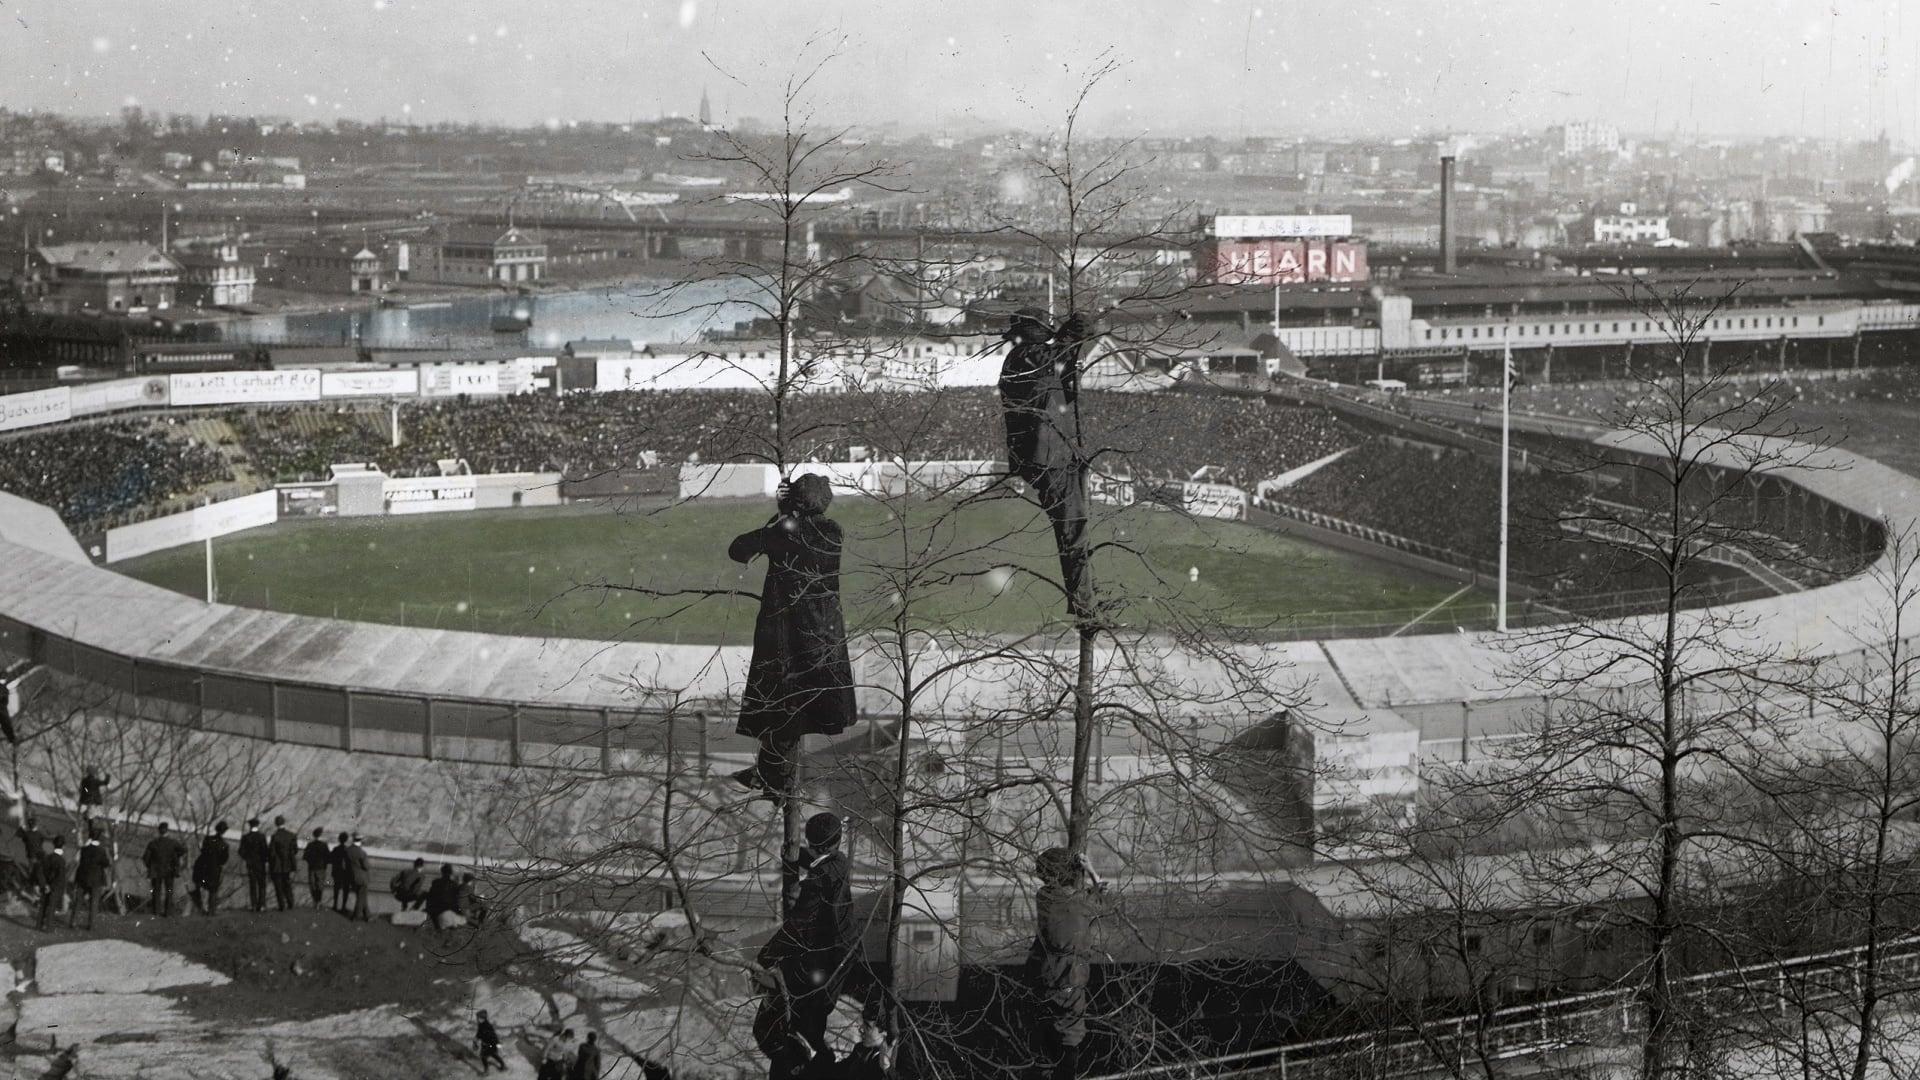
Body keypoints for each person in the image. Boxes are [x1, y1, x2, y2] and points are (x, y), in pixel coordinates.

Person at [726, 474, 856, 800]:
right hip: (822, 636)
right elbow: (801, 535)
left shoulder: (785, 533)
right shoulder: (834, 533)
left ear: (796, 503)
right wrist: (789, 512)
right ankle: (772, 775)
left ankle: (773, 778)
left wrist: (780, 515)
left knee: (780, 708)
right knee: (797, 709)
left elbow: (738, 550)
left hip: (786, 635)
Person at [999, 308, 1098, 617]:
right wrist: (1073, 333)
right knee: (1074, 531)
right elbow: (1053, 355)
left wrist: (1073, 344)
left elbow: (1061, 391)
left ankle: (1085, 597)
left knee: (1074, 529)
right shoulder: (1024, 357)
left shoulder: (1029, 360)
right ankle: (1085, 605)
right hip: (1047, 457)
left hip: (1055, 455)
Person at [757, 812, 854, 1068]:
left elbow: (797, 924)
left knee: (802, 1024)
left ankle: (808, 1065)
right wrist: (798, 856)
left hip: (824, 962)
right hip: (839, 957)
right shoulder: (840, 862)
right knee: (812, 1019)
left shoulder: (819, 881)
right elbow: (822, 863)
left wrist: (766, 954)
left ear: (817, 845)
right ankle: (811, 1059)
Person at [1026, 847, 1100, 1080]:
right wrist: (1090, 870)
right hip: (1073, 981)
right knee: (1070, 1039)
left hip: (1047, 977)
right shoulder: (1081, 901)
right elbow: (1101, 895)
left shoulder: (1044, 897)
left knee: (1046, 1043)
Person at [142, 822, 185, 917]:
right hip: (169, 870)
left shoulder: (153, 843)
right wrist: (175, 857)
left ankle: (156, 912)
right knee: (169, 891)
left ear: (159, 831)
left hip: (156, 871)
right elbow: (183, 850)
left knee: (156, 892)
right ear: (167, 830)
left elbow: (145, 858)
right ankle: (167, 913)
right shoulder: (173, 843)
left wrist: (150, 866)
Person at [72, 831, 111, 930]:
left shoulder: (84, 849)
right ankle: (91, 925)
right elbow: (106, 864)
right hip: (95, 880)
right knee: (94, 902)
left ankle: (73, 922)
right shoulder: (101, 851)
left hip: (82, 877)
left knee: (78, 901)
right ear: (99, 839)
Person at [192, 821, 230, 916]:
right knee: (213, 890)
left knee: (201, 887)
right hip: (215, 869)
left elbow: (203, 851)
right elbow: (224, 860)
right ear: (224, 831)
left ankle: (200, 909)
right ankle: (211, 911)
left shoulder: (208, 839)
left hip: (203, 866)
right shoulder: (225, 845)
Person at [33, 837, 66, 932]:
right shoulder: (61, 861)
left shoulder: (47, 857)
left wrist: (44, 885)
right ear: (63, 846)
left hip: (46, 885)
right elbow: (60, 877)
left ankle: (38, 925)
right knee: (52, 907)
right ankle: (48, 928)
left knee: (43, 905)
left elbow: (40, 872)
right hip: (55, 887)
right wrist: (52, 887)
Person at [268, 815, 299, 911]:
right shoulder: (292, 835)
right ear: (284, 822)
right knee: (287, 883)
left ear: (275, 824)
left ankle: (282, 905)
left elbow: (272, 853)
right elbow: (295, 850)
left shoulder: (275, 836)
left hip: (277, 865)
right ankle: (291, 903)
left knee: (278, 885)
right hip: (288, 864)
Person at [238, 817, 269, 913]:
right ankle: (262, 905)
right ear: (258, 825)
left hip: (250, 864)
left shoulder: (245, 837)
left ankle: (254, 905)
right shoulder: (262, 837)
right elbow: (265, 851)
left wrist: (247, 858)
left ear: (250, 825)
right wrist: (264, 860)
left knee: (253, 884)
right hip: (260, 864)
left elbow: (241, 851)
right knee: (262, 884)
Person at [423, 863, 464, 931]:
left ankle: (429, 920)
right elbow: (457, 897)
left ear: (442, 872)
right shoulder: (454, 884)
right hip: (450, 906)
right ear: (451, 873)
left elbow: (431, 894)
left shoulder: (436, 882)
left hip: (437, 905)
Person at [302, 828, 330, 908]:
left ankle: (315, 901)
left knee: (313, 885)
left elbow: (305, 857)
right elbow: (328, 857)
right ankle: (319, 901)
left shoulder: (310, 845)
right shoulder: (324, 845)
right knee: (320, 885)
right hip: (321, 868)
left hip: (312, 868)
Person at [345, 833, 370, 921]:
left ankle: (367, 915)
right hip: (361, 877)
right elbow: (366, 866)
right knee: (361, 896)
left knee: (362, 895)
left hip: (351, 876)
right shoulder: (362, 852)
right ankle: (356, 916)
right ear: (361, 840)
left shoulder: (348, 850)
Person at [475, 1009, 508, 1073]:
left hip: (490, 1044)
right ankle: (503, 1066)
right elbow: (479, 1033)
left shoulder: (488, 1026)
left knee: (483, 1056)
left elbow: (494, 1037)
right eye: (477, 1018)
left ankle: (486, 1071)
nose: (477, 1019)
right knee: (493, 1054)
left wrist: (498, 1045)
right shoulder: (481, 1025)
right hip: (486, 1044)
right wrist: (476, 1038)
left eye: (479, 1018)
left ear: (483, 1018)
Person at [329, 830, 352, 913]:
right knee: (345, 890)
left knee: (336, 889)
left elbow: (330, 860)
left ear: (339, 839)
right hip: (346, 873)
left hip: (337, 872)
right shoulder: (348, 850)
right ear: (346, 840)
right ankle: (343, 907)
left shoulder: (336, 849)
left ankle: (335, 905)